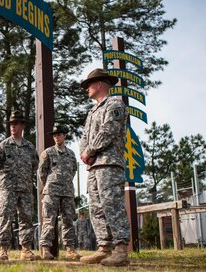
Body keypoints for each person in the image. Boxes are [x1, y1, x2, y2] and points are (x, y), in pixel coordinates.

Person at [78, 68, 130, 266]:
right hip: (94, 166)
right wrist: (85, 154)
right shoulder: (92, 112)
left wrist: (90, 151)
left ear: (99, 84)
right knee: (96, 208)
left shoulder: (115, 104)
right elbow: (84, 138)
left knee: (112, 204)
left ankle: (121, 249)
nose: (86, 89)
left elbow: (109, 130)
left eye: (89, 85)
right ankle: (103, 248)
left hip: (109, 163)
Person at [0, 111, 40, 261]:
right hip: (7, 188)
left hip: (25, 188)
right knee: (5, 218)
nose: (13, 127)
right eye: (11, 124)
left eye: (16, 124)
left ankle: (26, 249)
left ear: (22, 125)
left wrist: (24, 178)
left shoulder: (29, 147)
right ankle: (3, 249)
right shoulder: (3, 146)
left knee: (26, 218)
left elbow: (35, 165)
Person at [38, 124, 81, 261]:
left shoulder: (71, 154)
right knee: (49, 220)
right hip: (51, 191)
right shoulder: (48, 153)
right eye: (54, 135)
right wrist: (50, 185)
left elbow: (73, 170)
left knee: (68, 221)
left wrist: (65, 183)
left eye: (59, 134)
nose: (56, 137)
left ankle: (70, 250)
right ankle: (45, 249)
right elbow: (42, 173)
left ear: (65, 136)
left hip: (67, 192)